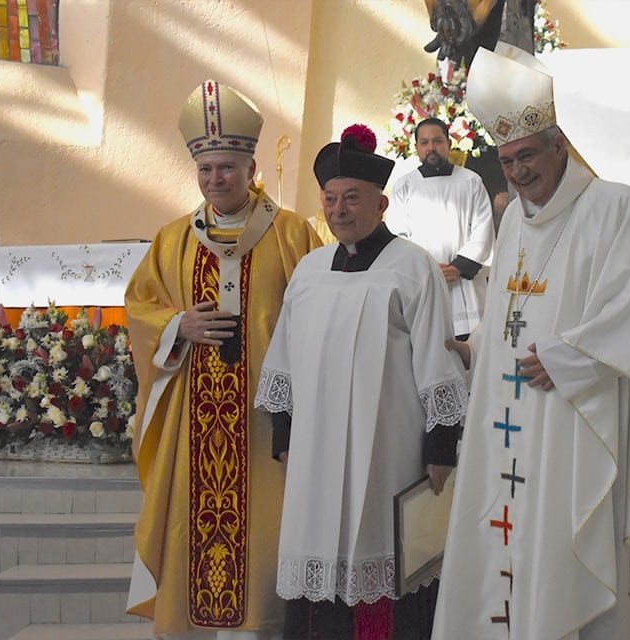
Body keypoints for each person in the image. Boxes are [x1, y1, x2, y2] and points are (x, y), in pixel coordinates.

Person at [432, 44, 630, 639]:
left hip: (572, 419)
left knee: (562, 550)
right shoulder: (512, 219)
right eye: (507, 160)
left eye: (529, 155)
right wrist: (475, 348)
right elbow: (508, 310)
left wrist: (567, 358)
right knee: (505, 547)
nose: (518, 172)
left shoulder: (615, 206)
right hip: (506, 420)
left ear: (560, 144)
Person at [254, 124, 468, 640]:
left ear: (382, 203)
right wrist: (284, 439)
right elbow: (282, 362)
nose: (339, 209)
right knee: (316, 555)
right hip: (314, 452)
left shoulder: (412, 267)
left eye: (352, 197)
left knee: (385, 561)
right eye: (330, 199)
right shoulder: (307, 270)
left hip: (389, 450)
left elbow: (439, 366)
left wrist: (441, 447)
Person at [125, 80, 320, 639]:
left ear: (251, 165)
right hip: (196, 429)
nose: (217, 180)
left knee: (266, 551)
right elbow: (140, 307)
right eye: (207, 170)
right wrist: (175, 325)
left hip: (268, 430)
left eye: (228, 168)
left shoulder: (292, 234)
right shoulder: (172, 241)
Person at [388, 116, 495, 339]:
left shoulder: (470, 181)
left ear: (449, 144)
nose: (431, 148)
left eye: (437, 141)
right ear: (416, 147)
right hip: (422, 284)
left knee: (471, 354)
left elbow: (483, 230)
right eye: (424, 143)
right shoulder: (404, 186)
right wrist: (428, 270)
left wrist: (457, 267)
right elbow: (398, 236)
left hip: (465, 283)